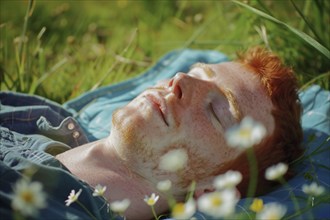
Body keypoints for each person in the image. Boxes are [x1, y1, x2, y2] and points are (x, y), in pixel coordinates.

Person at [0, 47, 302, 219]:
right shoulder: (34, 118)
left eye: (216, 111)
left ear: (213, 190)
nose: (179, 80)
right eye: (196, 74)